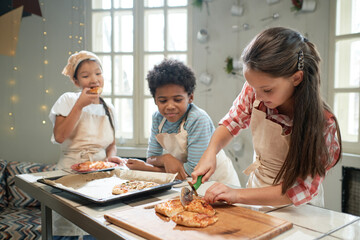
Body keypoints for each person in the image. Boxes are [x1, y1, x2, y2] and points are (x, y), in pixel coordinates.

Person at [191, 27, 342, 207]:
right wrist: (211, 152)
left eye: (267, 90)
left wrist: (237, 194)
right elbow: (232, 122)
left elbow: (298, 190)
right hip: (256, 192)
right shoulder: (256, 90)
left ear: (296, 78)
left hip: (299, 209)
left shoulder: (324, 125)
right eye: (253, 87)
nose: (258, 96)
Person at [121, 59, 240, 186]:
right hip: (187, 181)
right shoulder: (157, 118)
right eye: (163, 101)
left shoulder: (198, 119)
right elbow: (151, 158)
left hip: (217, 180)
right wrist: (166, 159)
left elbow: (192, 170)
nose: (170, 106)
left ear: (191, 97)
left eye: (177, 100)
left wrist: (147, 168)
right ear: (155, 100)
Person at [49, 50, 122, 239]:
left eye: (98, 73)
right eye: (85, 75)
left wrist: (111, 157)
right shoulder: (68, 99)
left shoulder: (109, 108)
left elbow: (111, 144)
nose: (94, 79)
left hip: (101, 178)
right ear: (76, 81)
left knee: (96, 230)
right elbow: (59, 136)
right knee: (68, 230)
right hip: (68, 177)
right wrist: (79, 106)